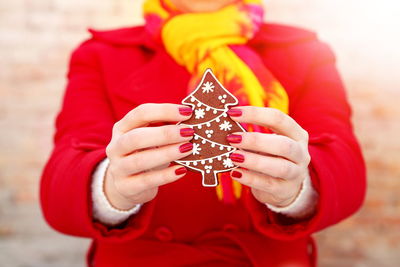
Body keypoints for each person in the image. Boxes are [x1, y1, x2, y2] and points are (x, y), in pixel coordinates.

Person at [40, 0, 366, 266]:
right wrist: (110, 186)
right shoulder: (101, 53)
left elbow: (347, 171)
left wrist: (298, 187)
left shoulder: (304, 50)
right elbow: (59, 192)